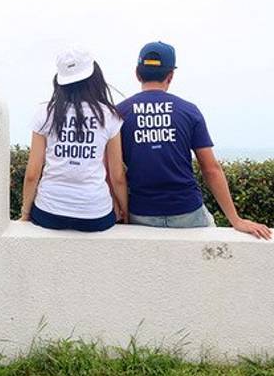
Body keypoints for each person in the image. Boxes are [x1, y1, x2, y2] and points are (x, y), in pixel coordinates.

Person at [116, 41, 271, 239]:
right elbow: (211, 169)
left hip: (141, 212)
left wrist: (124, 215)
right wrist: (235, 219)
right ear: (170, 76)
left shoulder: (119, 113)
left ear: (137, 74)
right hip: (187, 210)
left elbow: (115, 174)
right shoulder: (188, 111)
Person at [18, 46, 128, 231]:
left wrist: (25, 213)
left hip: (48, 212)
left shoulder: (45, 113)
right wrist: (125, 212)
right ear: (94, 77)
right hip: (95, 214)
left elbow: (32, 173)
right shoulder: (109, 116)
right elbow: (117, 176)